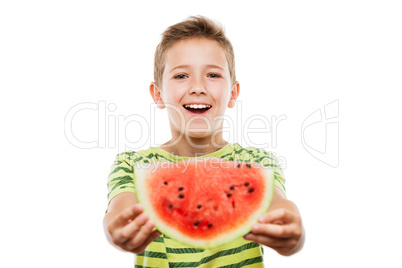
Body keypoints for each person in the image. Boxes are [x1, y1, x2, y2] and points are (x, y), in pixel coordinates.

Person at [103, 15, 305, 267]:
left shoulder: (257, 162)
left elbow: (279, 207)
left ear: (232, 93)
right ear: (157, 94)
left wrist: (293, 233)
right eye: (180, 76)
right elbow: (119, 211)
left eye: (212, 74)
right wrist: (116, 229)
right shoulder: (133, 164)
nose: (198, 87)